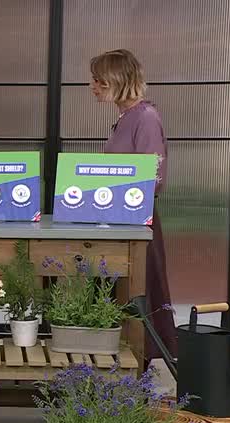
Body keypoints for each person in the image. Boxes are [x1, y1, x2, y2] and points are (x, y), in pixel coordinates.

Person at [89, 48, 178, 361]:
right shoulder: (127, 117)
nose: (94, 87)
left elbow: (151, 176)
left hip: (137, 220)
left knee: (142, 289)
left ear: (118, 80)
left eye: (99, 81)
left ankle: (141, 360)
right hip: (118, 220)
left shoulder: (146, 118)